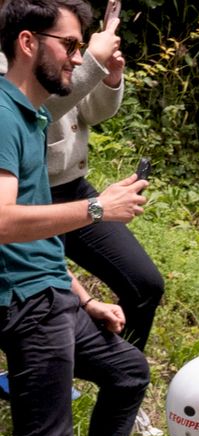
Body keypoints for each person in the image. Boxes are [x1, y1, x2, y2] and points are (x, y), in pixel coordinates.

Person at [0, 0, 148, 436]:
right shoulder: (3, 115)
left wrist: (84, 299)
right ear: (28, 43)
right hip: (26, 302)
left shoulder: (32, 115)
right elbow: (2, 221)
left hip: (51, 292)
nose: (79, 59)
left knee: (127, 371)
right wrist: (97, 208)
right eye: (69, 45)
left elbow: (38, 237)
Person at [0, 3, 161, 356]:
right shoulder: (19, 42)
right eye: (70, 47)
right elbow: (31, 108)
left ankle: (114, 364)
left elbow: (89, 111)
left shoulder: (58, 29)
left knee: (145, 285)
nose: (74, 56)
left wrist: (108, 76)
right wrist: (92, 61)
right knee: (38, 304)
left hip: (72, 187)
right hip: (26, 197)